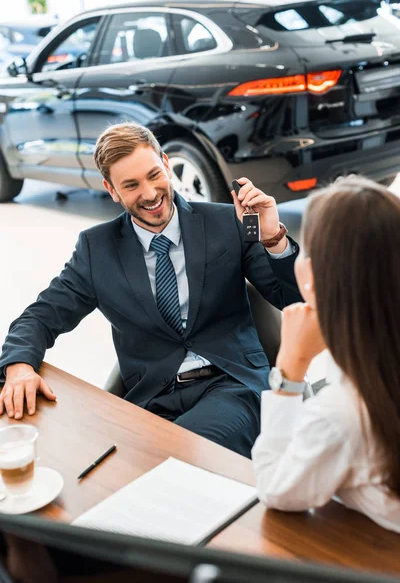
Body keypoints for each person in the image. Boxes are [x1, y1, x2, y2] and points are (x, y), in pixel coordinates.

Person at [0, 123, 302, 458]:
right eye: (131, 185)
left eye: (154, 175)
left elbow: (295, 300)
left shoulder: (227, 221)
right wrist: (19, 367)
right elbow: (41, 317)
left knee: (179, 460)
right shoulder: (95, 249)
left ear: (167, 164)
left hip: (231, 386)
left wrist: (273, 239)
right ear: (111, 190)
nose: (149, 193)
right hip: (151, 402)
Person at [252, 176, 400, 532]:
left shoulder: (342, 413)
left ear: (314, 276)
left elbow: (276, 490)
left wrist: (289, 368)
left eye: (303, 250)